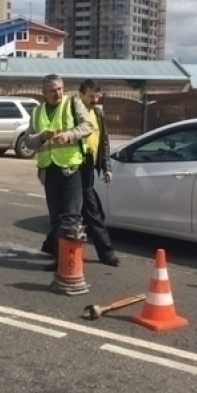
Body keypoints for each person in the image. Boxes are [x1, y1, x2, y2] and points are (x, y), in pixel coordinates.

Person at [25, 74, 92, 270]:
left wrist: (70, 135)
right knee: (56, 218)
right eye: (53, 90)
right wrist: (41, 137)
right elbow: (28, 141)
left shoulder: (73, 103)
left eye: (60, 89)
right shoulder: (37, 111)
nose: (58, 93)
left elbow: (87, 126)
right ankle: (60, 255)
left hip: (70, 168)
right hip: (49, 170)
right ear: (44, 93)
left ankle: (69, 261)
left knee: (71, 217)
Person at [78, 79, 120, 266]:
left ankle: (52, 246)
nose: (95, 100)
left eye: (97, 96)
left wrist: (106, 167)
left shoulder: (98, 114)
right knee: (92, 212)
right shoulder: (74, 113)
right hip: (75, 167)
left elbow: (104, 141)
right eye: (91, 96)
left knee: (81, 211)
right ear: (81, 96)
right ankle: (106, 253)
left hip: (89, 168)